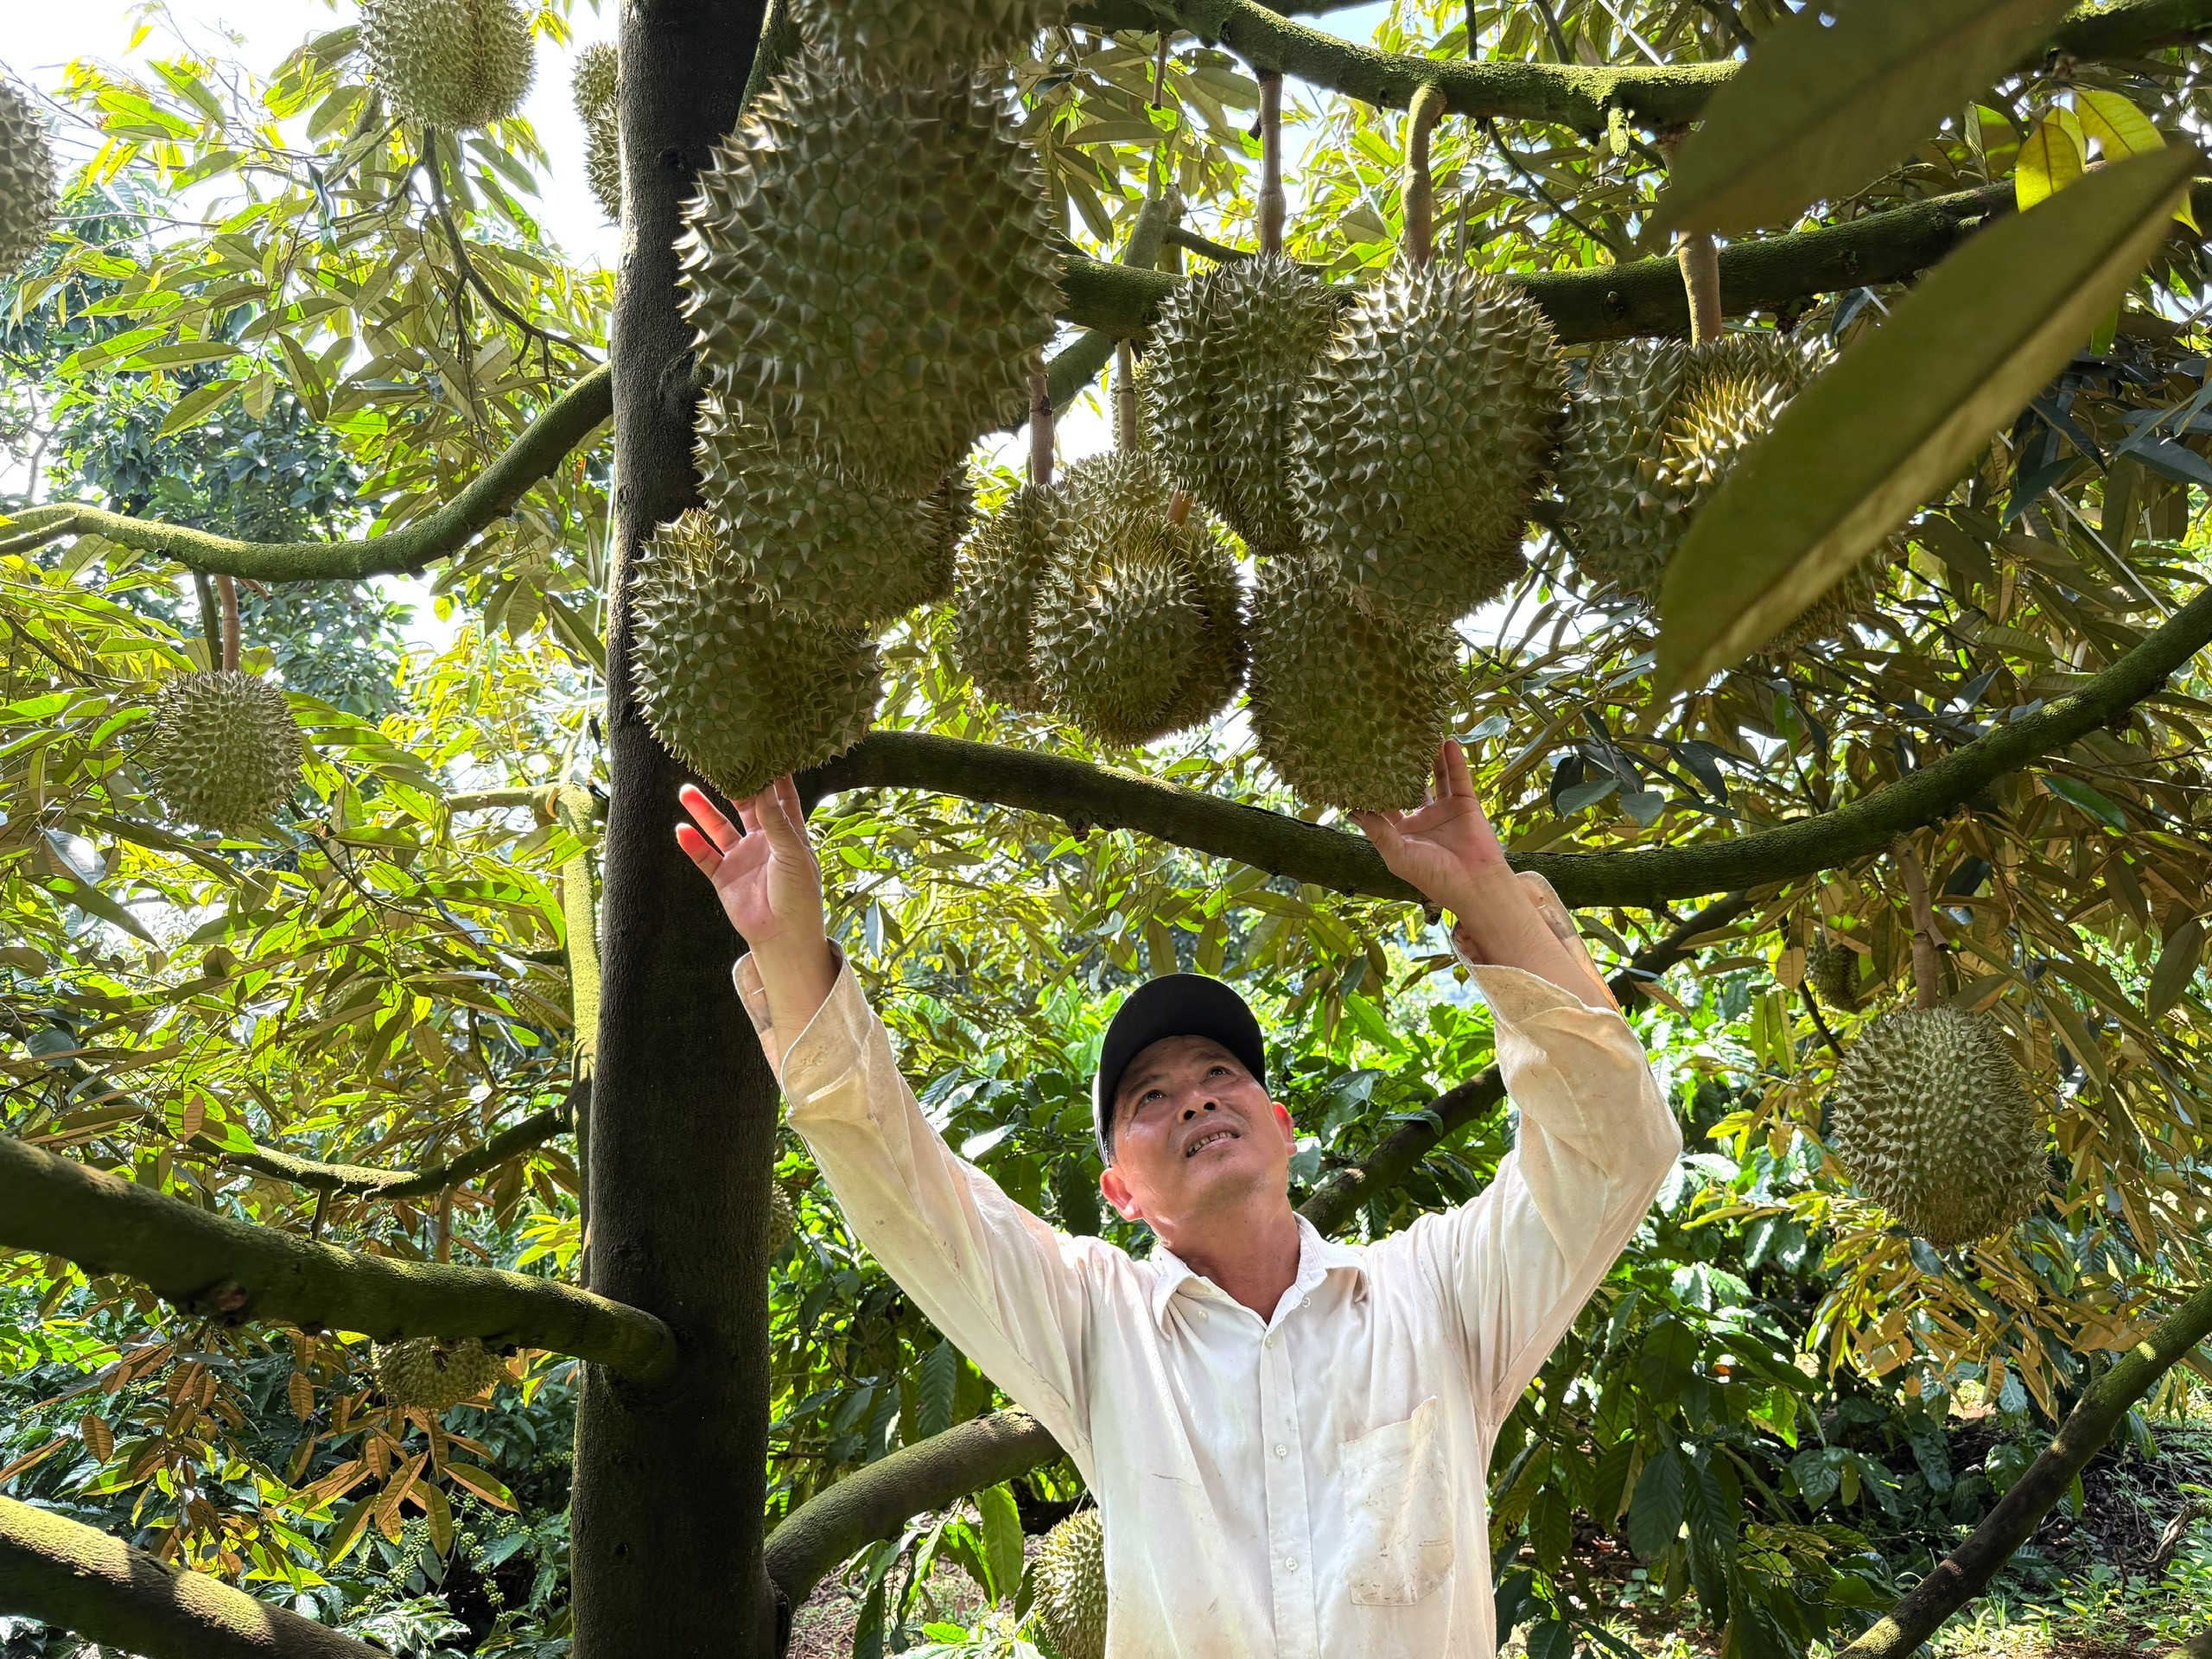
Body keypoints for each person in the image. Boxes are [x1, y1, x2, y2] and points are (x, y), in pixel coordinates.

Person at [676, 740, 1680, 1659]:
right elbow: (903, 1188)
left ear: (1282, 1125)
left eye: (1219, 1073)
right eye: (1149, 1098)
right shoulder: (1093, 1325)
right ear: (1118, 1192)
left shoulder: (1439, 1298)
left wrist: (1486, 893)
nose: (1195, 1094)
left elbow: (1612, 1149)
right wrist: (790, 953)